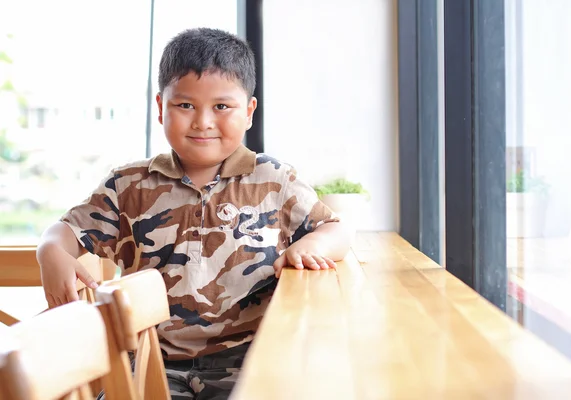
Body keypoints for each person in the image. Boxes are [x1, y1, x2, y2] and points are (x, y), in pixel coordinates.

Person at [36, 27, 351, 399]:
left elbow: (336, 230)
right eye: (185, 105)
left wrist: (310, 245)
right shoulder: (129, 185)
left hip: (250, 360)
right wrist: (49, 252)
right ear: (160, 107)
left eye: (222, 106)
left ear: (249, 111)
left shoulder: (274, 179)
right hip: (153, 365)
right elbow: (66, 231)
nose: (202, 121)